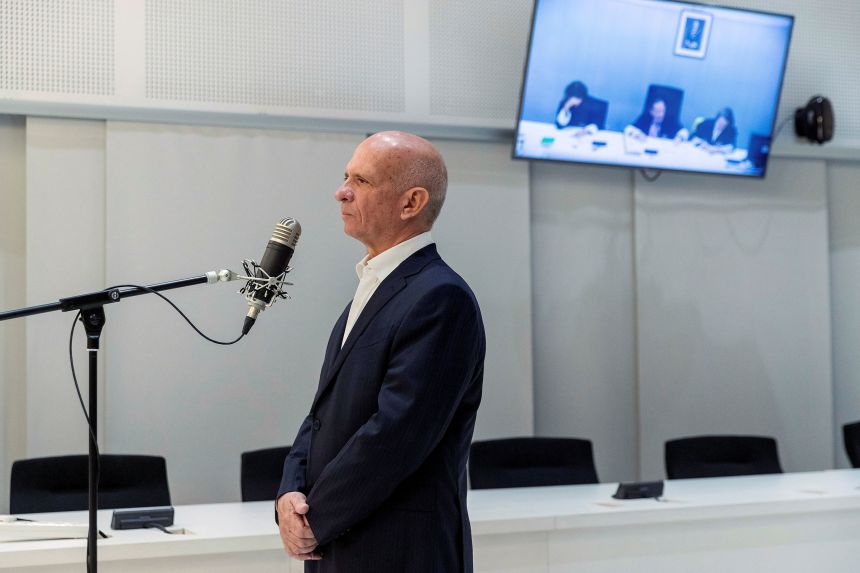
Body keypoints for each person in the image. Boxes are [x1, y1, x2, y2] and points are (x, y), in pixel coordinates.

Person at [276, 131, 486, 573]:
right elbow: (322, 414)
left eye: (362, 181)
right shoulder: (371, 290)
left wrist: (317, 518)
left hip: (398, 551)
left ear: (411, 203)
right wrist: (289, 494)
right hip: (338, 539)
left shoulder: (441, 297)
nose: (341, 191)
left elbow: (398, 433)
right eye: (345, 176)